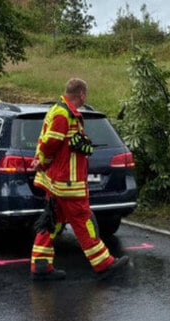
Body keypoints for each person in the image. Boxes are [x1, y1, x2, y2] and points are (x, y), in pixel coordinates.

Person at [29, 78, 128, 281]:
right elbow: (50, 144)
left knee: (51, 221)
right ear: (81, 94)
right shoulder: (64, 114)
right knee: (84, 222)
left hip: (60, 182)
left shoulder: (61, 111)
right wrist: (42, 162)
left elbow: (58, 144)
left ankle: (40, 264)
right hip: (67, 184)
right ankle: (104, 264)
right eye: (86, 94)